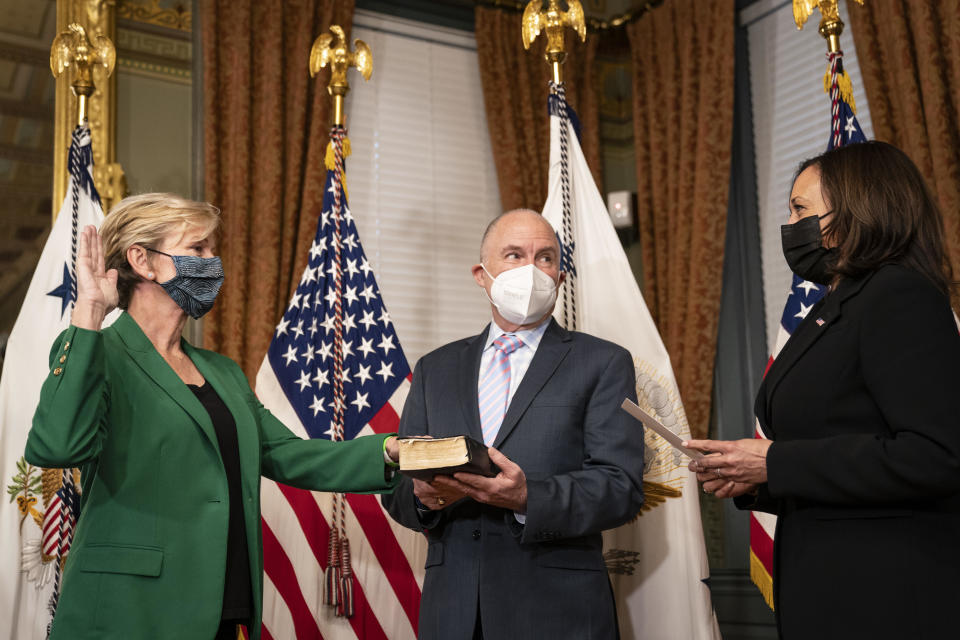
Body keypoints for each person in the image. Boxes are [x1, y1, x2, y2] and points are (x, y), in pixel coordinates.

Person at [24, 193, 401, 640]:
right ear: (142, 260)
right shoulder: (98, 352)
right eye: (197, 249)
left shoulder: (222, 372)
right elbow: (57, 446)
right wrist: (88, 312)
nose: (212, 261)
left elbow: (287, 454)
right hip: (128, 612)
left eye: (211, 249)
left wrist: (394, 451)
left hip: (221, 606)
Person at [684, 141, 960, 639]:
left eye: (801, 209)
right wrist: (757, 481)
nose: (790, 226)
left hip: (887, 596)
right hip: (826, 585)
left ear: (857, 209)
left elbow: (936, 454)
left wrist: (774, 463)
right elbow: (840, 438)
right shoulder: (835, 307)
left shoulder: (900, 297)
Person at [382, 209, 644, 640]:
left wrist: (527, 497)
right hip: (454, 615)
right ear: (481, 275)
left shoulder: (603, 363)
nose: (531, 269)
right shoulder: (435, 369)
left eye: (545, 258)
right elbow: (397, 491)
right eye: (513, 255)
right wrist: (425, 499)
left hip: (560, 614)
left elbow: (621, 487)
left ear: (560, 277)